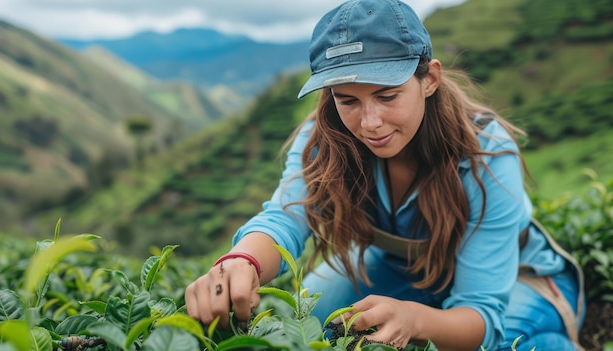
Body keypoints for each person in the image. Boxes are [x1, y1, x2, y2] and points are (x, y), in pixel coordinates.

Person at [184, 0, 586, 350]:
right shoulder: (325, 138)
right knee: (325, 317)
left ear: (428, 80)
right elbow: (287, 215)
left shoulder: (486, 153)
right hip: (406, 265)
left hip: (516, 277)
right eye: (348, 101)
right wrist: (243, 261)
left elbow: (481, 312)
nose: (370, 123)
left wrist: (416, 320)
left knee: (497, 342)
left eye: (387, 96)